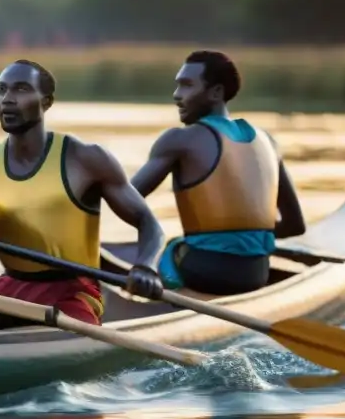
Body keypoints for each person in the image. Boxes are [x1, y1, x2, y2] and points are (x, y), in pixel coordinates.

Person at [0, 59, 167, 323]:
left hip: (72, 295)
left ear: (47, 102)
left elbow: (149, 223)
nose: (7, 99)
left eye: (20, 90)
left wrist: (145, 266)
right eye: (1, 90)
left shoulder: (85, 159)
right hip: (10, 289)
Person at [130, 50, 306, 295]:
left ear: (216, 93)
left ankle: (172, 300)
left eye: (187, 85)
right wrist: (242, 236)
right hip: (256, 273)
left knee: (169, 248)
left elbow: (126, 198)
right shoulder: (268, 142)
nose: (177, 95)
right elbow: (295, 226)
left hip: (206, 272)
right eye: (178, 85)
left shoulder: (180, 140)